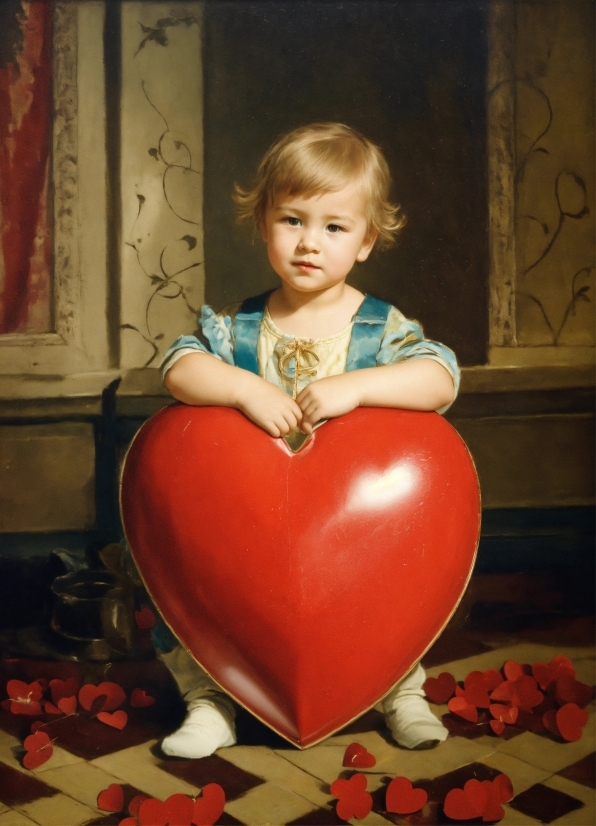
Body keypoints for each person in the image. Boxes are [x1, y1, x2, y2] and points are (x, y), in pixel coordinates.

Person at [158, 122, 459, 759]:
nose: (308, 244)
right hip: (253, 523)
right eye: (291, 220)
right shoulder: (239, 328)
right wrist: (244, 390)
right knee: (210, 591)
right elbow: (179, 366)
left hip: (354, 530)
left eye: (334, 227)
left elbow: (440, 378)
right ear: (263, 223)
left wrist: (357, 387)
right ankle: (212, 699)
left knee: (384, 600)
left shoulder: (380, 330)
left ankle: (399, 692)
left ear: (368, 241)